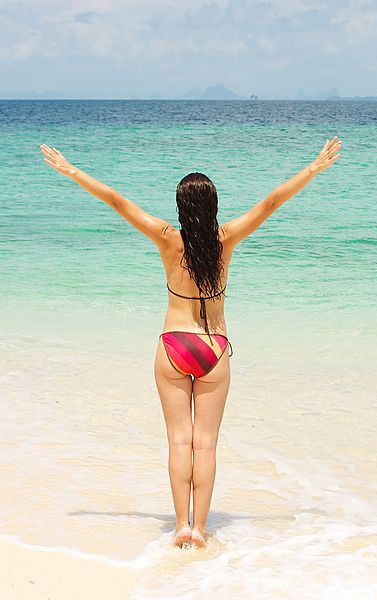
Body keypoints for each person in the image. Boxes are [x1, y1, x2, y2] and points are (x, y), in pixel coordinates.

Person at [40, 136, 341, 548]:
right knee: (207, 444)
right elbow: (272, 203)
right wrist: (313, 168)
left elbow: (116, 200)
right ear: (213, 206)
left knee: (179, 441)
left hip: (173, 346)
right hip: (214, 349)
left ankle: (180, 525)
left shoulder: (166, 238)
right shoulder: (226, 238)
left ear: (181, 208)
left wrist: (71, 170)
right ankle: (200, 529)